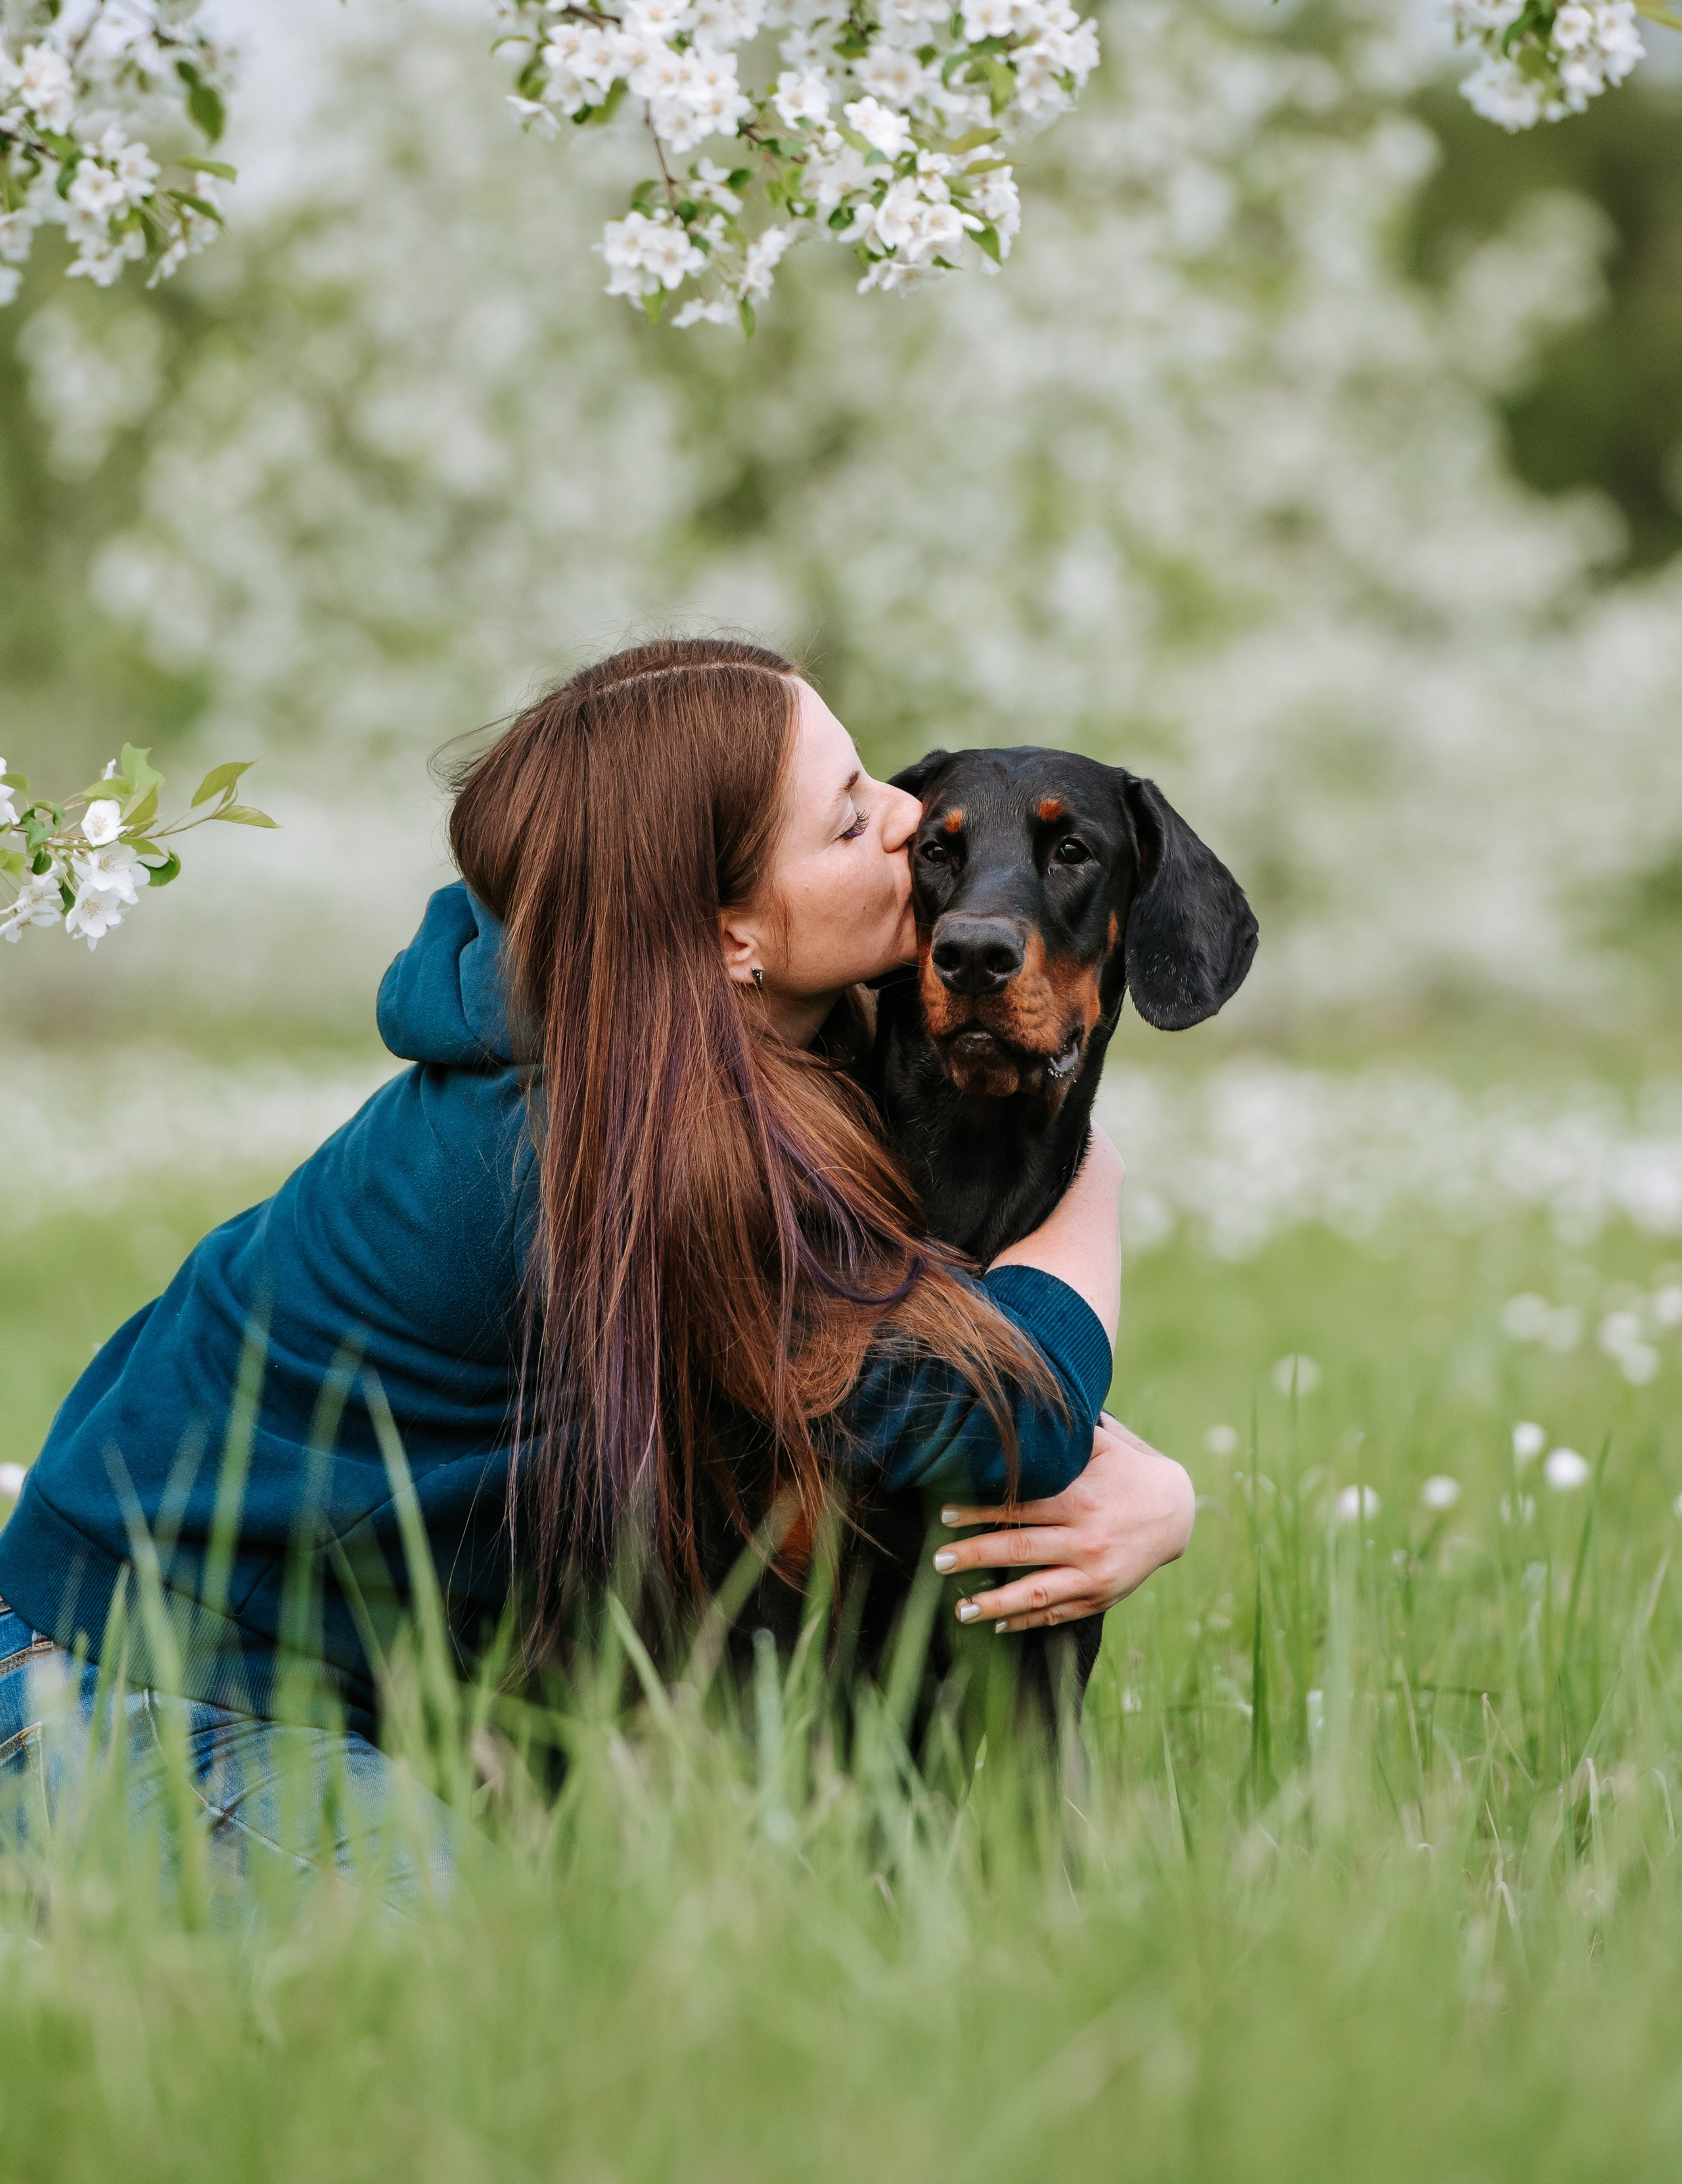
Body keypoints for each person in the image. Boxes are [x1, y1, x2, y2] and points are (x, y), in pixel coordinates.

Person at [0, 638, 1193, 1892]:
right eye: (849, 822)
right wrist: (1089, 1191)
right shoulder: (596, 1148)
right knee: (483, 1970)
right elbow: (997, 1419)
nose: (909, 824)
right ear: (730, 935)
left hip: (344, 1681)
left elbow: (889, 1356)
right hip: (106, 1683)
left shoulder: (696, 1049)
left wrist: (1145, 1482)